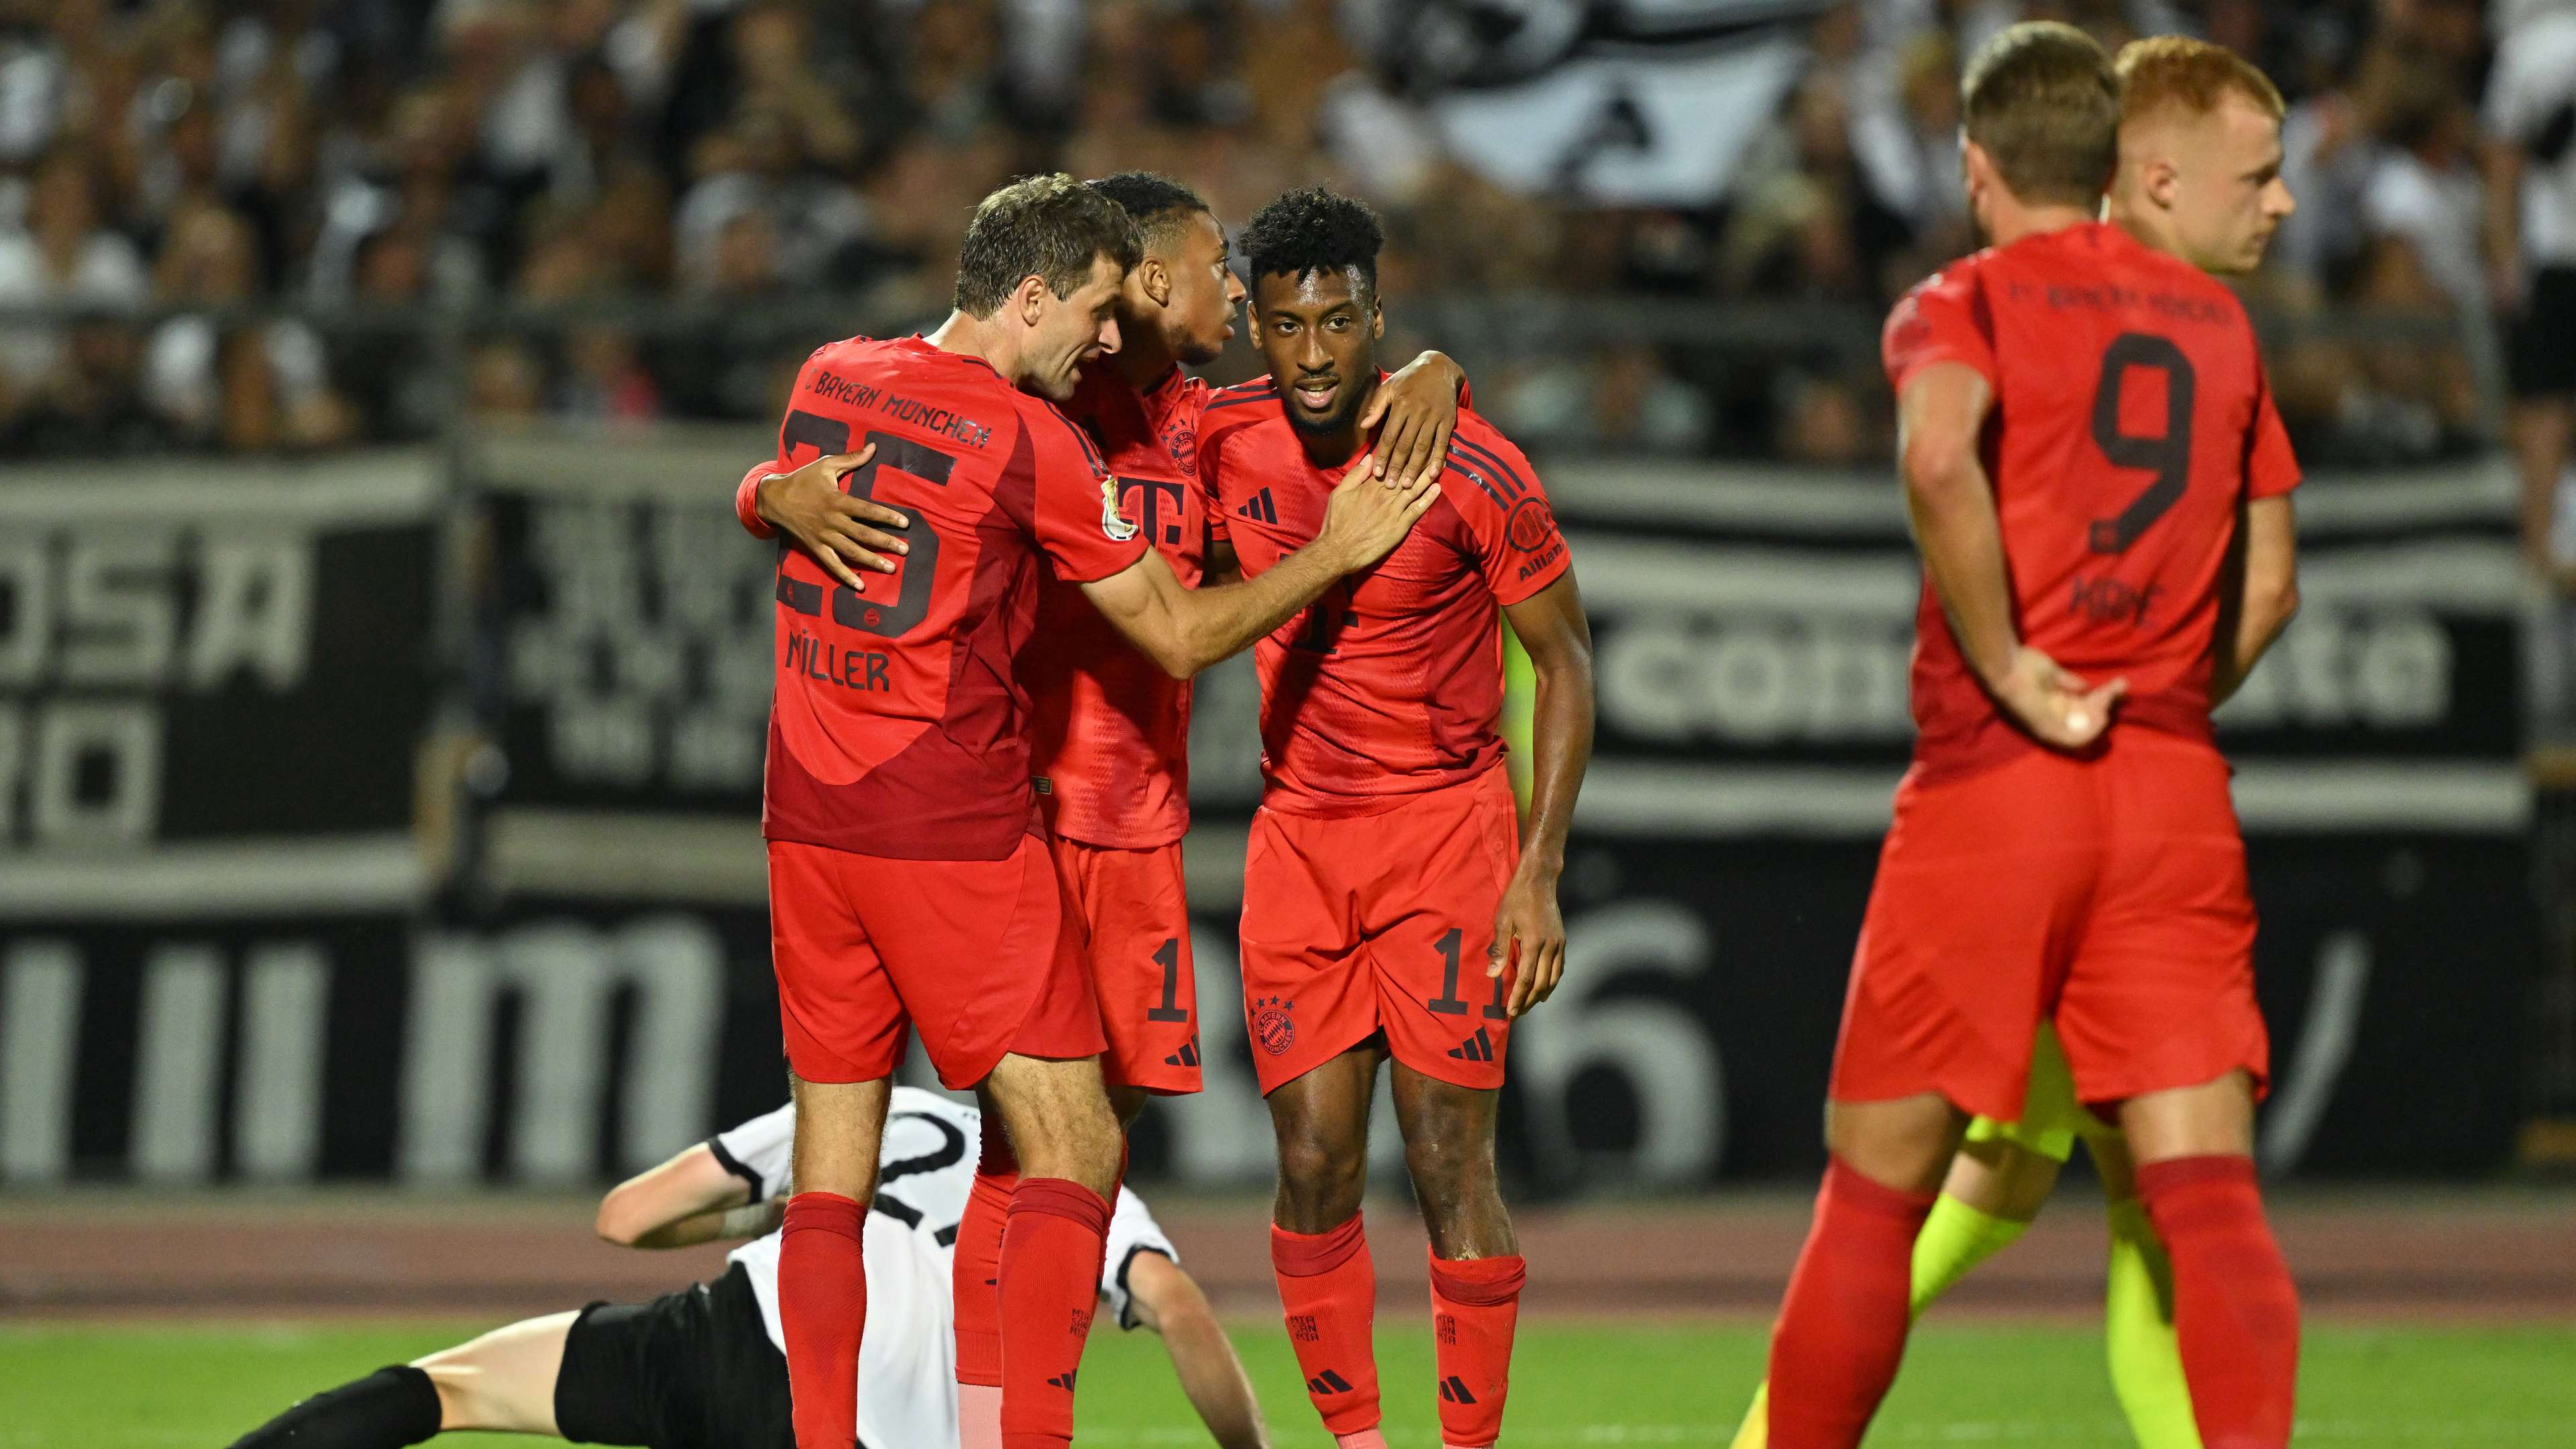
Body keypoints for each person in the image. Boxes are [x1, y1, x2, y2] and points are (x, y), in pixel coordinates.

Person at [737, 168, 1471, 1449]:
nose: (1229, 295)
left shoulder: (843, 370)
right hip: (978, 826)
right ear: (1083, 292)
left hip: (872, 821)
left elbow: (1349, 395)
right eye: (1197, 270)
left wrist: (1436, 367)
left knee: (876, 1169)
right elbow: (1180, 634)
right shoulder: (1045, 432)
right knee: (1066, 1150)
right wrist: (1336, 553)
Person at [1733, 35, 2302, 1449]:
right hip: (2169, 785)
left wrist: (2015, 666)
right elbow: (2276, 582)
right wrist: (2160, 694)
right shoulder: (2219, 327)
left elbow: (1937, 453)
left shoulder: (1960, 299)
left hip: (2002, 783)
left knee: (1877, 1201)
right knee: (2206, 1207)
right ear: (2114, 165)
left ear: (1978, 167)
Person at [1192, 185, 1595, 1449]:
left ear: (1378, 315)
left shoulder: (1467, 463)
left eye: (1340, 322)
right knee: (1313, 1162)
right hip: (1299, 843)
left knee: (1445, 1161)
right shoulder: (1218, 439)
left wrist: (1539, 869)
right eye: (1288, 326)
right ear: (1255, 326)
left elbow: (1570, 663)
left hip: (1446, 836)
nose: (1314, 356)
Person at [220, 1089, 1265, 1449]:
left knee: (447, 1391)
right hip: (867, 1430)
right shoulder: (1078, 1192)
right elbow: (1173, 1304)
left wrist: (793, 1203)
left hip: (736, 1333)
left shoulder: (878, 1111)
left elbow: (627, 1219)